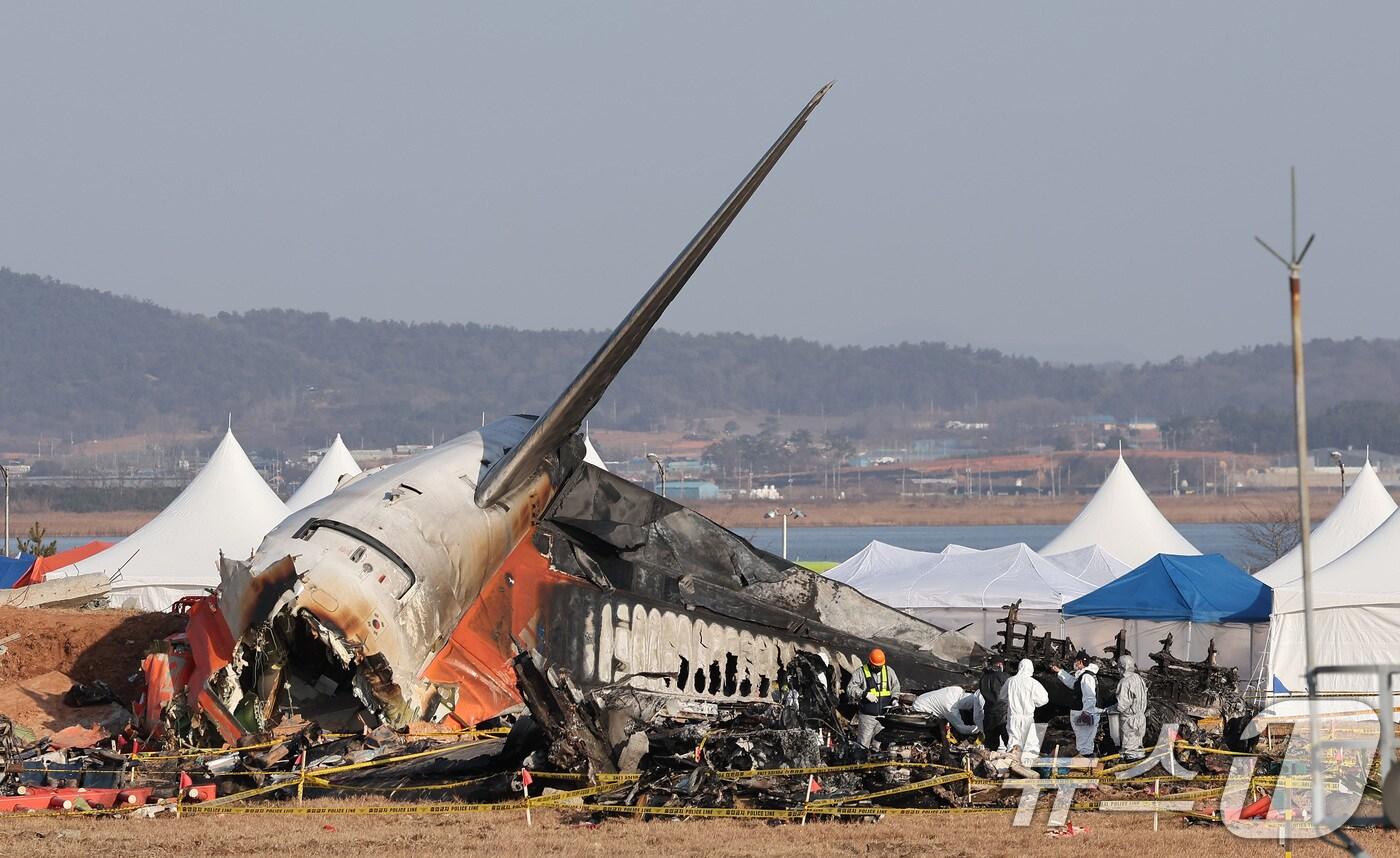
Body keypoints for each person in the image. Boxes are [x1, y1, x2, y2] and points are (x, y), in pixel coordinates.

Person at [846, 647, 899, 755]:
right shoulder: (861, 672)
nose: (877, 668)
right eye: (875, 666)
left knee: (880, 744)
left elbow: (896, 687)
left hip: (884, 717)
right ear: (870, 663)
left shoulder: (889, 671)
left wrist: (894, 699)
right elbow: (850, 688)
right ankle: (861, 765)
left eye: (880, 666)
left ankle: (877, 766)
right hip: (867, 716)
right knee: (862, 744)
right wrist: (864, 694)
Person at [1000, 658, 1049, 766]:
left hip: (1013, 717)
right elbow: (1044, 699)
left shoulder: (1010, 681)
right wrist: (1034, 703)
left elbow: (1002, 696)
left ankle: (1011, 768)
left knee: (1013, 743)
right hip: (1027, 717)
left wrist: (1011, 701)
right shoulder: (1033, 683)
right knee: (1030, 744)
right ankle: (1027, 769)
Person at [1055, 652, 1101, 757]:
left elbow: (1089, 697)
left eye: (1075, 661)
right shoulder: (1084, 675)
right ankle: (1086, 763)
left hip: (1084, 712)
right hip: (1083, 711)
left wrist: (1087, 714)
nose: (1074, 664)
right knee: (1083, 740)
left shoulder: (1086, 677)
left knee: (1084, 741)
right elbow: (1074, 684)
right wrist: (1060, 672)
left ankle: (1085, 765)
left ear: (1080, 662)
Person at [1107, 654, 1148, 761]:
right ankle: (1139, 770)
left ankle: (1130, 772)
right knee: (1137, 746)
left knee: (1129, 750)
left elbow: (1122, 706)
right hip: (1140, 719)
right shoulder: (1138, 678)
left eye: (1119, 667)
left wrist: (1108, 710)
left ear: (1122, 668)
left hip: (1130, 721)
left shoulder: (1124, 682)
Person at [911, 685, 979, 736]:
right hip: (920, 709)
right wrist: (978, 729)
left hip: (922, 699)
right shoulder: (950, 708)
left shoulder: (958, 689)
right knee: (935, 728)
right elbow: (961, 729)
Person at [977, 656, 1009, 750]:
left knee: (990, 745)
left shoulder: (983, 678)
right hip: (1003, 713)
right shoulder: (1004, 676)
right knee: (1009, 742)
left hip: (988, 713)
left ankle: (987, 763)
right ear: (1000, 664)